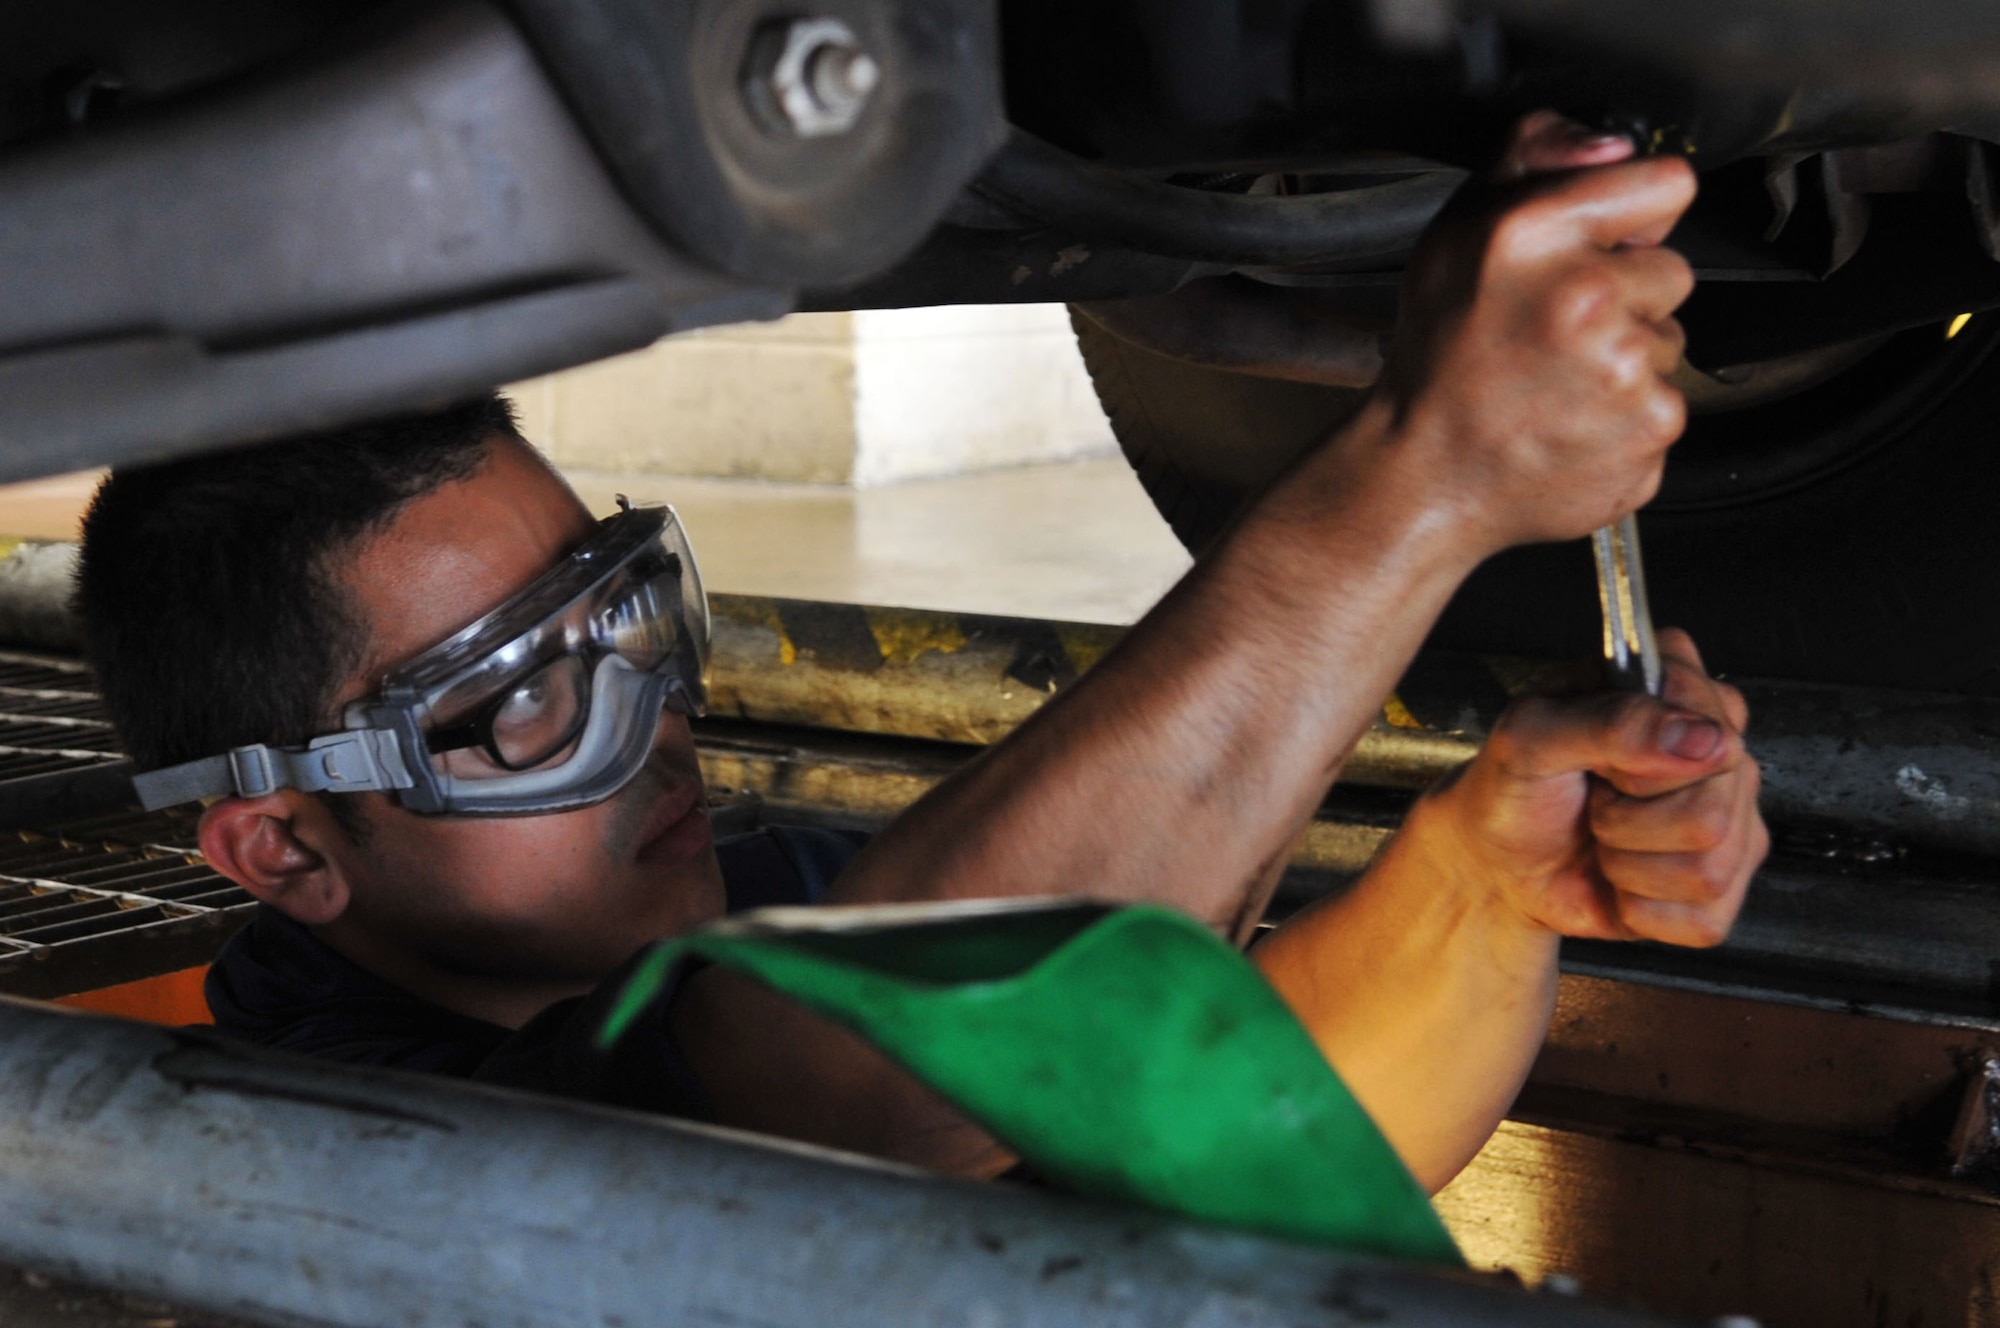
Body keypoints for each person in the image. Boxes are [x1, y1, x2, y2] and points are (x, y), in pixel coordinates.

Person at [72, 113, 1764, 1193]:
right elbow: (852, 1085)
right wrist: (1417, 487)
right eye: (521, 703)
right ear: (285, 843)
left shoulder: (769, 885)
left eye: (627, 621)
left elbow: (1217, 1127)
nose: (654, 724)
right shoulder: (323, 1151)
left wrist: (1487, 889)